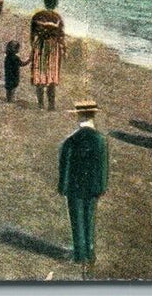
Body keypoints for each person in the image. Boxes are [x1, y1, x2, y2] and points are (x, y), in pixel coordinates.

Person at [58, 100, 109, 274]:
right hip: (93, 186)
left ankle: (80, 254)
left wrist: (62, 187)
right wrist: (102, 187)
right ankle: (90, 252)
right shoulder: (101, 141)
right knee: (90, 218)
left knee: (77, 219)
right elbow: (103, 168)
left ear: (79, 116)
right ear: (93, 116)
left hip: (74, 187)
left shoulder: (71, 141)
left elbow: (65, 166)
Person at [30, 0, 66, 110]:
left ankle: (40, 104)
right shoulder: (58, 18)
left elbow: (32, 35)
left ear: (45, 2)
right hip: (53, 48)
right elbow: (61, 37)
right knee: (52, 76)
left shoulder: (37, 16)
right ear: (55, 4)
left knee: (39, 75)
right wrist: (64, 51)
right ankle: (51, 105)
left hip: (40, 46)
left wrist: (33, 47)